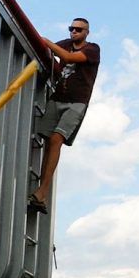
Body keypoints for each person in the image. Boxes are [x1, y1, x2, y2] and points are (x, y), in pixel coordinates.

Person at [31, 17, 100, 212]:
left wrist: (47, 42)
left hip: (77, 102)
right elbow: (47, 49)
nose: (74, 32)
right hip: (57, 98)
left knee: (56, 139)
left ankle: (42, 192)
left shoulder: (93, 49)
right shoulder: (66, 44)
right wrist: (45, 46)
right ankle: (39, 193)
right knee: (45, 140)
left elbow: (69, 58)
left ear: (87, 32)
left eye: (79, 29)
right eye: (71, 28)